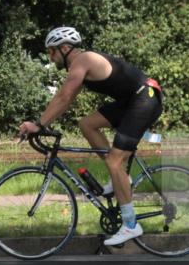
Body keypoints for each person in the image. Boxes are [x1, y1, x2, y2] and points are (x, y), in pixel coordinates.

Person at [18, 26, 163, 246]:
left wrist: (38, 125)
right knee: (87, 124)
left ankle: (131, 224)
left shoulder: (82, 61)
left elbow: (64, 97)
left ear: (65, 48)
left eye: (52, 51)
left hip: (145, 99)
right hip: (133, 101)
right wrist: (43, 123)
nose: (51, 57)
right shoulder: (80, 66)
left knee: (115, 161)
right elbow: (64, 100)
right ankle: (122, 179)